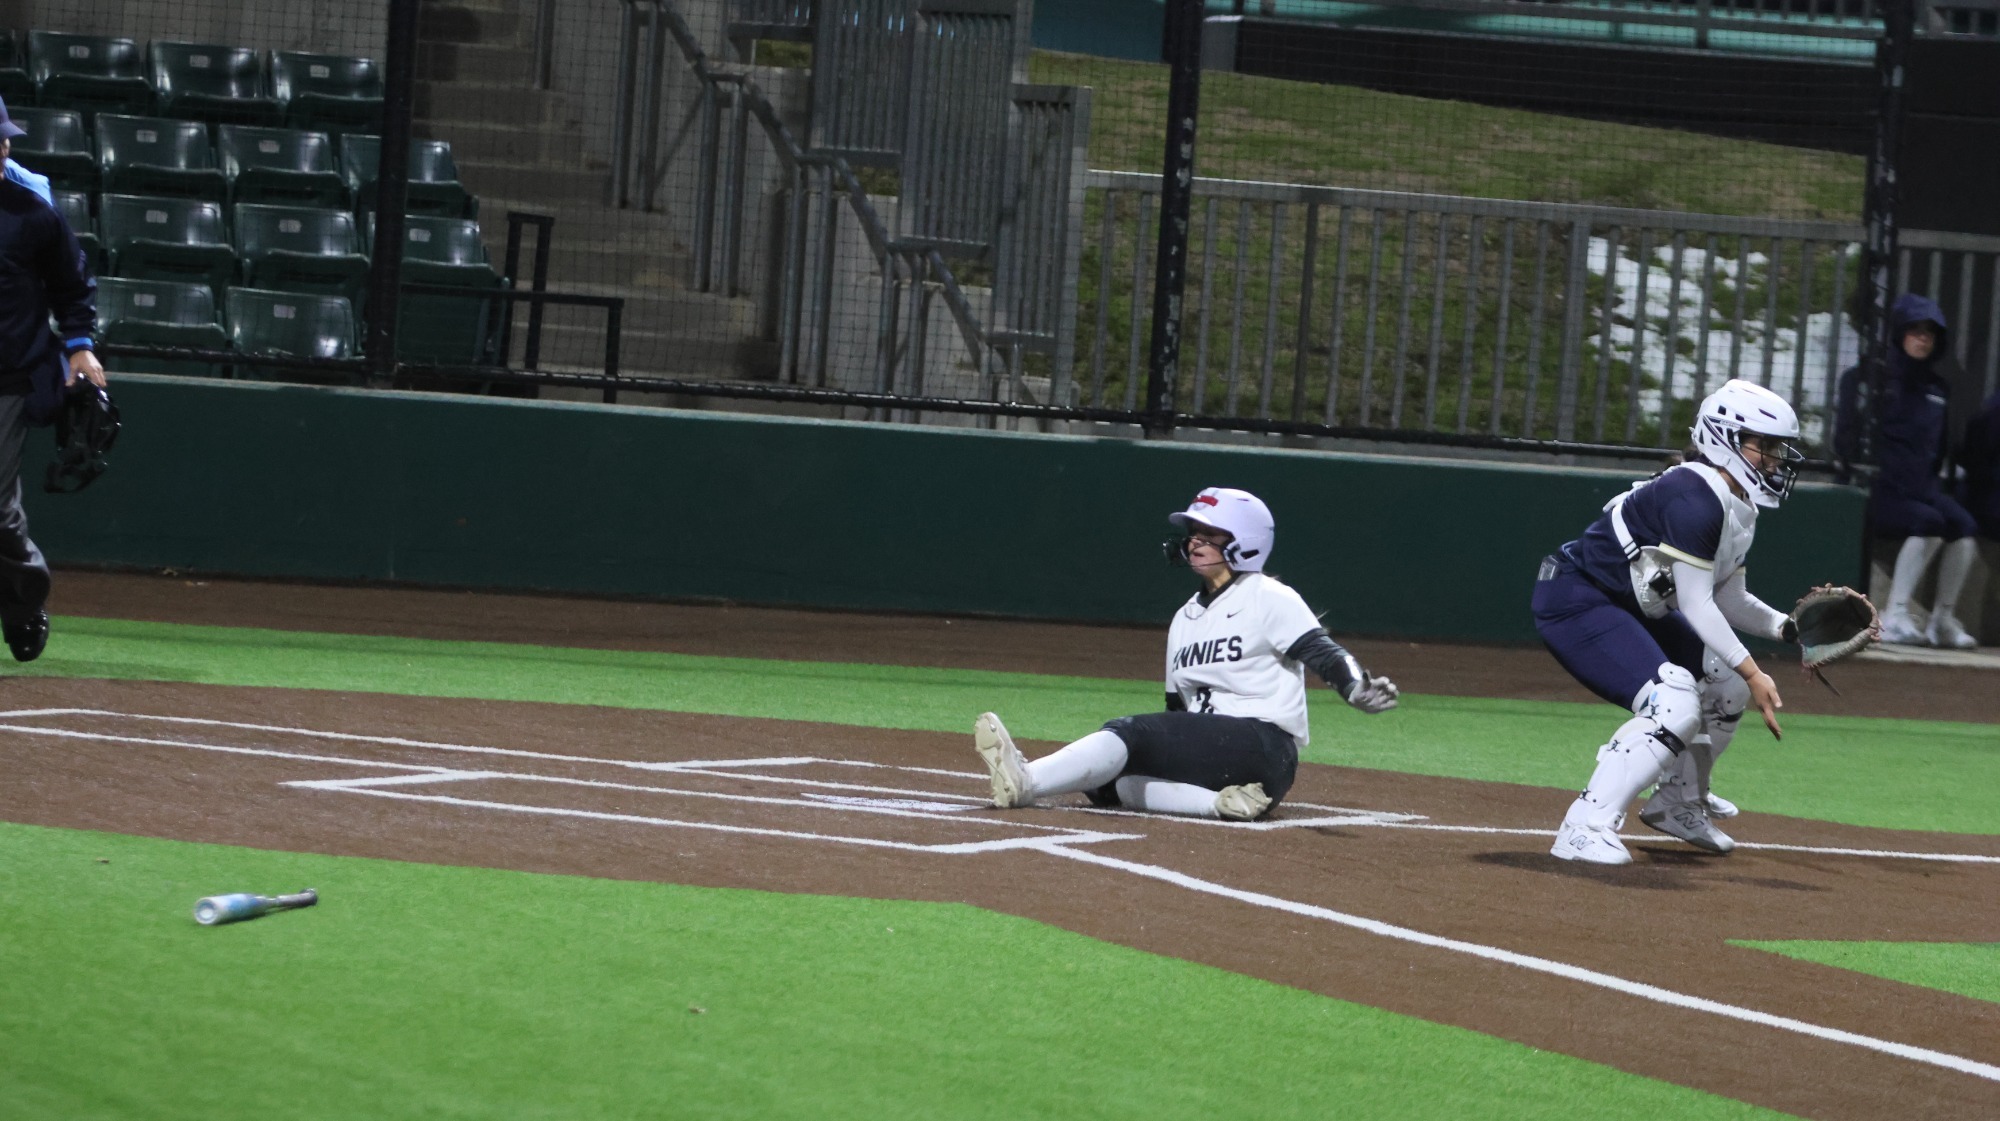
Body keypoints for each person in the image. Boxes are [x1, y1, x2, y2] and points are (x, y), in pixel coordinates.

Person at [971, 487, 1399, 821]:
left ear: (1246, 540)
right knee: (1103, 782)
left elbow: (1321, 651)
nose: (1195, 543)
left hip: (1263, 746)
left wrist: (1354, 687)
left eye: (1210, 534)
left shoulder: (1267, 594)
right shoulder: (1185, 617)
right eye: (1194, 533)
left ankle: (1027, 780)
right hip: (1219, 757)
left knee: (1130, 733)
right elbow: (1177, 712)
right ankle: (1221, 804)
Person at [1534, 379, 1810, 865]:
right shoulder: (1694, 496)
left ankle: (1675, 804)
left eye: (1776, 447)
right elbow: (1697, 605)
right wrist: (1754, 670)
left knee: (1725, 684)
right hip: (1577, 598)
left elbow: (1729, 597)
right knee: (1674, 701)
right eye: (1763, 445)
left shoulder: (1734, 501)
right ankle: (1583, 826)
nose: (1773, 459)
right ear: (1724, 437)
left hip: (1628, 603)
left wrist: (1790, 629)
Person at [0, 95, 104, 662]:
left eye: (3, 138)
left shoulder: (30, 210)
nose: (3, 146)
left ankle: (23, 604)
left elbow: (71, 280)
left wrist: (80, 345)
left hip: (9, 375)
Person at [1833, 295, 1981, 648]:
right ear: (1899, 334)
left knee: (1964, 526)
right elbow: (1846, 438)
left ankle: (1942, 620)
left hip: (1921, 489)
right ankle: (1894, 615)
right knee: (1929, 522)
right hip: (1878, 488)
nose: (1922, 338)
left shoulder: (1937, 389)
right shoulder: (1868, 380)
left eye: (1930, 332)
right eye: (1914, 330)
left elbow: (1940, 449)